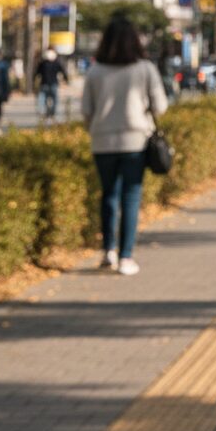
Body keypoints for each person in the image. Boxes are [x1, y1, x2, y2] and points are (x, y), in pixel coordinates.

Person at [81, 17, 167, 275]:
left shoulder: (95, 71)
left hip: (102, 141)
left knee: (109, 195)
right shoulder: (144, 69)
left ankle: (108, 251)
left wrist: (96, 128)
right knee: (131, 196)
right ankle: (126, 256)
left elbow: (86, 110)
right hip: (135, 140)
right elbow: (160, 105)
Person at [34, 47, 69, 124]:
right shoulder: (56, 62)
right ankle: (51, 113)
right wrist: (66, 80)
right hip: (52, 84)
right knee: (54, 100)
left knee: (45, 99)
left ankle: (46, 113)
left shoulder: (43, 63)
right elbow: (63, 71)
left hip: (45, 84)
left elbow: (37, 73)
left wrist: (34, 81)